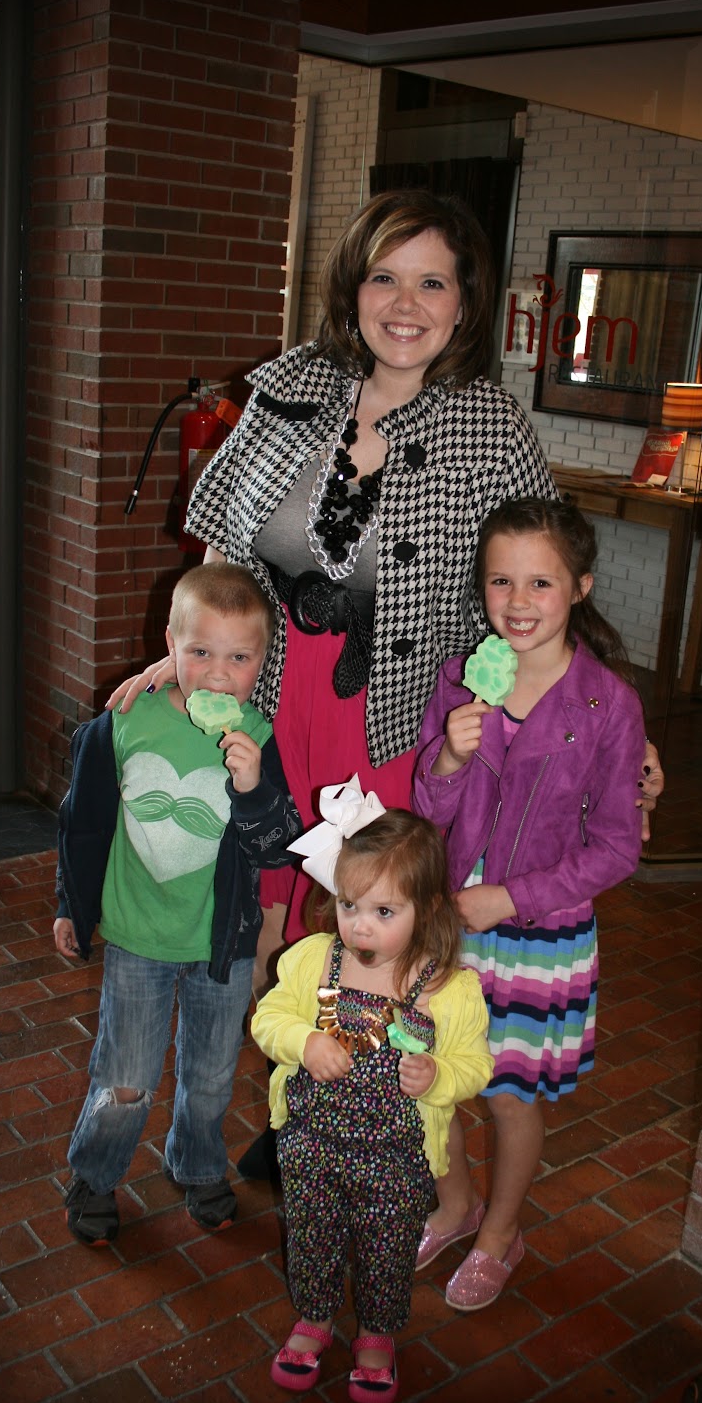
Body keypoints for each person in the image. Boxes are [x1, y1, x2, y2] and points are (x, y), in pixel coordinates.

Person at [106, 188, 664, 1176]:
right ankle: (293, 1087)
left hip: (396, 711)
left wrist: (610, 719)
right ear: (351, 288)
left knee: (364, 916)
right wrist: (188, 655)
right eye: (384, 278)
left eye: (432, 283)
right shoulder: (291, 385)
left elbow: (538, 579)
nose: (405, 305)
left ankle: (337, 1113)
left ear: (464, 303)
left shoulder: (488, 425)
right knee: (265, 901)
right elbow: (224, 544)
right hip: (271, 688)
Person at [411, 496, 646, 1310]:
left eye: (540, 582)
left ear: (579, 588)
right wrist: (446, 757)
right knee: (429, 1075)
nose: (516, 601)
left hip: (537, 931)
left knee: (509, 1095)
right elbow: (428, 808)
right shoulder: (460, 680)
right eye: (499, 580)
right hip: (450, 916)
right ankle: (454, 1205)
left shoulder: (607, 705)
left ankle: (500, 1233)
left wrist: (509, 896)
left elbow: (616, 846)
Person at [53, 563, 301, 1245]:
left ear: (261, 663)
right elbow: (82, 823)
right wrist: (72, 904)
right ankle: (95, 1174)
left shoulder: (258, 736)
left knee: (212, 1077)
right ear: (170, 645)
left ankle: (196, 1165)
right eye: (200, 652)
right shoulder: (125, 723)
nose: (218, 675)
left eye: (238, 658)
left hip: (221, 945)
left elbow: (278, 849)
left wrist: (252, 788)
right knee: (125, 1077)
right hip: (138, 938)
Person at [250, 790, 493, 1403]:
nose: (360, 924)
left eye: (384, 911)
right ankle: (314, 1318)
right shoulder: (314, 960)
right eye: (349, 904)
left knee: (388, 1249)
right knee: (312, 1235)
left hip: (395, 1160)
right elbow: (268, 1019)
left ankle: (377, 1334)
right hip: (312, 1146)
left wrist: (438, 1075)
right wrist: (304, 1041)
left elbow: (475, 1065)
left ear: (427, 908)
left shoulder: (447, 989)